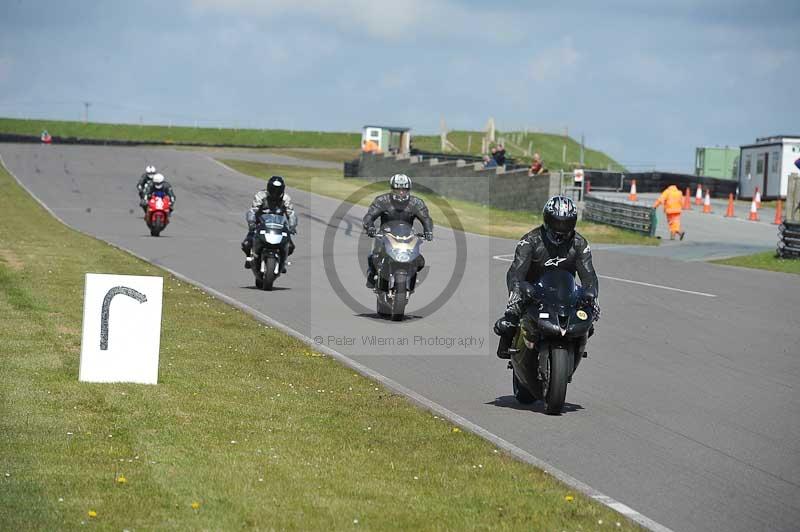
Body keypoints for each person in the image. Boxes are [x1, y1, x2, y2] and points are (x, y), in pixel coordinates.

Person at [493, 195, 599, 358]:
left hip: (564, 295)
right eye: (556, 222)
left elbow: (589, 274)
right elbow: (516, 271)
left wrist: (592, 296)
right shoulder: (530, 241)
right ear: (547, 220)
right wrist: (516, 292)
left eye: (566, 223)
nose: (561, 228)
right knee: (507, 323)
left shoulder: (580, 244)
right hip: (532, 292)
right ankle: (507, 346)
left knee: (588, 321)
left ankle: (575, 351)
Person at [363, 174, 433, 288]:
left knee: (419, 261)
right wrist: (369, 227)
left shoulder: (416, 203)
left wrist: (428, 231)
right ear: (392, 189)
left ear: (408, 189)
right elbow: (369, 216)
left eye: (404, 189)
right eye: (398, 189)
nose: (401, 192)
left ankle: (411, 279)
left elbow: (426, 219)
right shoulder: (382, 200)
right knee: (374, 257)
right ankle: (372, 275)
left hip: (407, 236)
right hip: (385, 235)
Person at [241, 175, 297, 272]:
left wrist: (292, 226)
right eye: (273, 189)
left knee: (290, 246)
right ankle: (249, 257)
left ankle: (282, 261)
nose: (275, 192)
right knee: (247, 243)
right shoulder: (260, 195)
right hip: (260, 224)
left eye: (278, 189)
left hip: (279, 225)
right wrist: (251, 222)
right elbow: (252, 211)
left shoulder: (286, 198)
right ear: (268, 187)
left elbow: (291, 213)